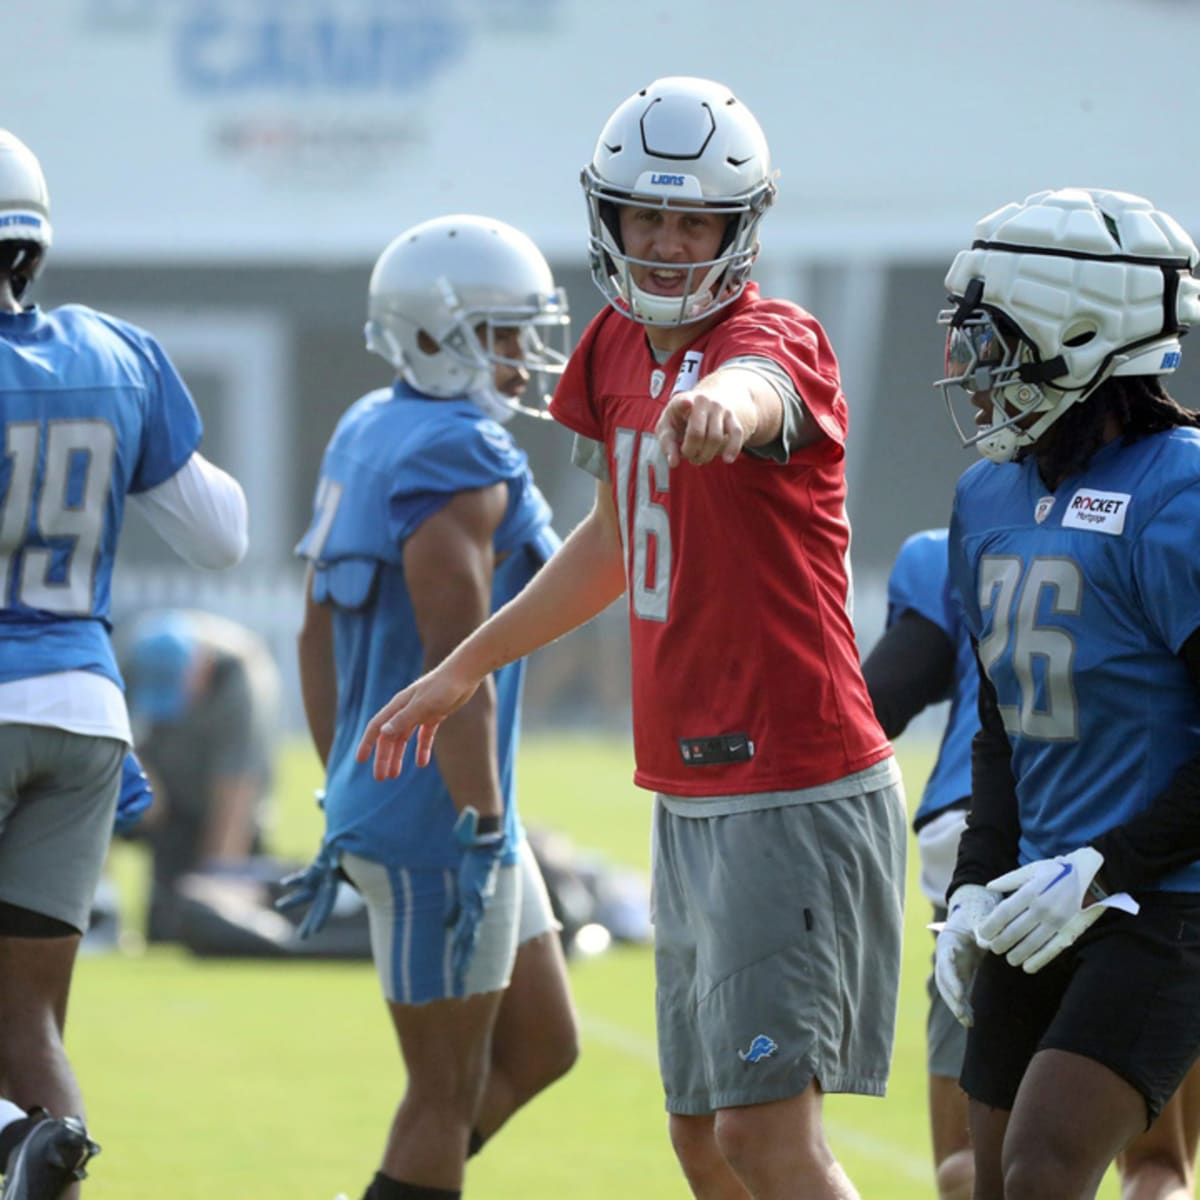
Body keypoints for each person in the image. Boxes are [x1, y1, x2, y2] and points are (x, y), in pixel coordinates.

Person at [356, 78, 907, 1200]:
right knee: (702, 1141)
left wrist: (726, 409)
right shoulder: (610, 346)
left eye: (692, 219)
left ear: (737, 227)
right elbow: (612, 543)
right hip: (692, 790)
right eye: (645, 216)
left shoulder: (774, 338)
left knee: (766, 1138)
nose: (664, 242)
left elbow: (757, 387)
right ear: (609, 218)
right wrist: (464, 668)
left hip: (789, 784)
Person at [286, 212, 579, 1200]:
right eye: (503, 333)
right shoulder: (460, 451)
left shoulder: (371, 423)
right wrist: (481, 827)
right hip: (441, 816)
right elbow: (463, 671)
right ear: (432, 334)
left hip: (399, 798)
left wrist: (345, 778)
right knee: (443, 1094)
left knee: (542, 1047)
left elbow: (313, 632)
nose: (523, 355)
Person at [931, 186, 1200, 1200]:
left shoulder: (1180, 490)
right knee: (995, 1180)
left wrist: (1106, 866)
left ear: (1081, 335)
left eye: (994, 338)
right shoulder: (988, 496)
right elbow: (1003, 718)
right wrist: (973, 880)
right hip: (1038, 894)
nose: (971, 366)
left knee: (1045, 1168)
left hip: (1167, 896)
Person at [0, 130, 247, 1199]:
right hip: (85, 715)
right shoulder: (109, 352)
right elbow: (223, 534)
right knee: (30, 1028)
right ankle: (36, 1149)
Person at [861, 528, 977, 1200]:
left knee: (967, 1162)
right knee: (1156, 1166)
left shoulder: (971, 530)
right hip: (1142, 851)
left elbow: (879, 702)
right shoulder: (1173, 515)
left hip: (979, 839)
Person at [117, 608, 280, 944]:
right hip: (170, 803)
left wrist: (213, 891)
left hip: (226, 805)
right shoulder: (131, 661)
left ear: (201, 669)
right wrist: (144, 780)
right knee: (162, 930)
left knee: (213, 913)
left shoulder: (241, 680)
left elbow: (236, 793)